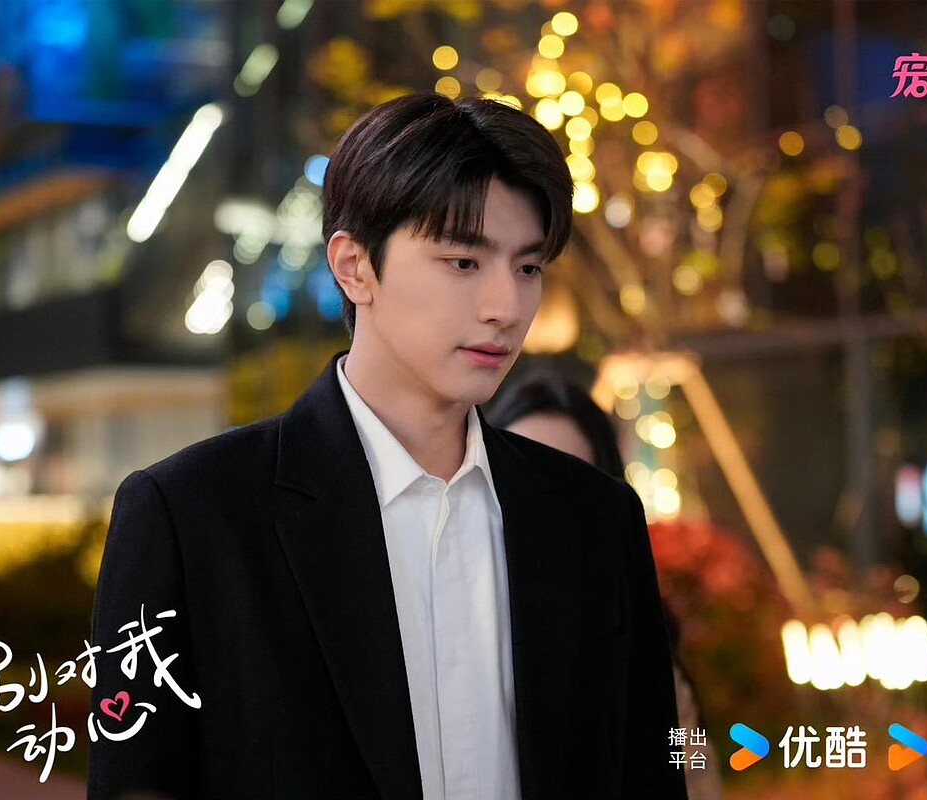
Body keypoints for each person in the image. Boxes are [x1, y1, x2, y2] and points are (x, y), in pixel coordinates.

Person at [88, 92, 686, 800]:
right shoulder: (192, 517)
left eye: (528, 268)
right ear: (354, 266)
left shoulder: (596, 519)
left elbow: (655, 771)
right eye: (463, 262)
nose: (505, 307)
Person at [488, 375, 723, 800]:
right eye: (522, 481)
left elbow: (690, 776)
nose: (541, 512)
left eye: (566, 484)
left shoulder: (640, 650)